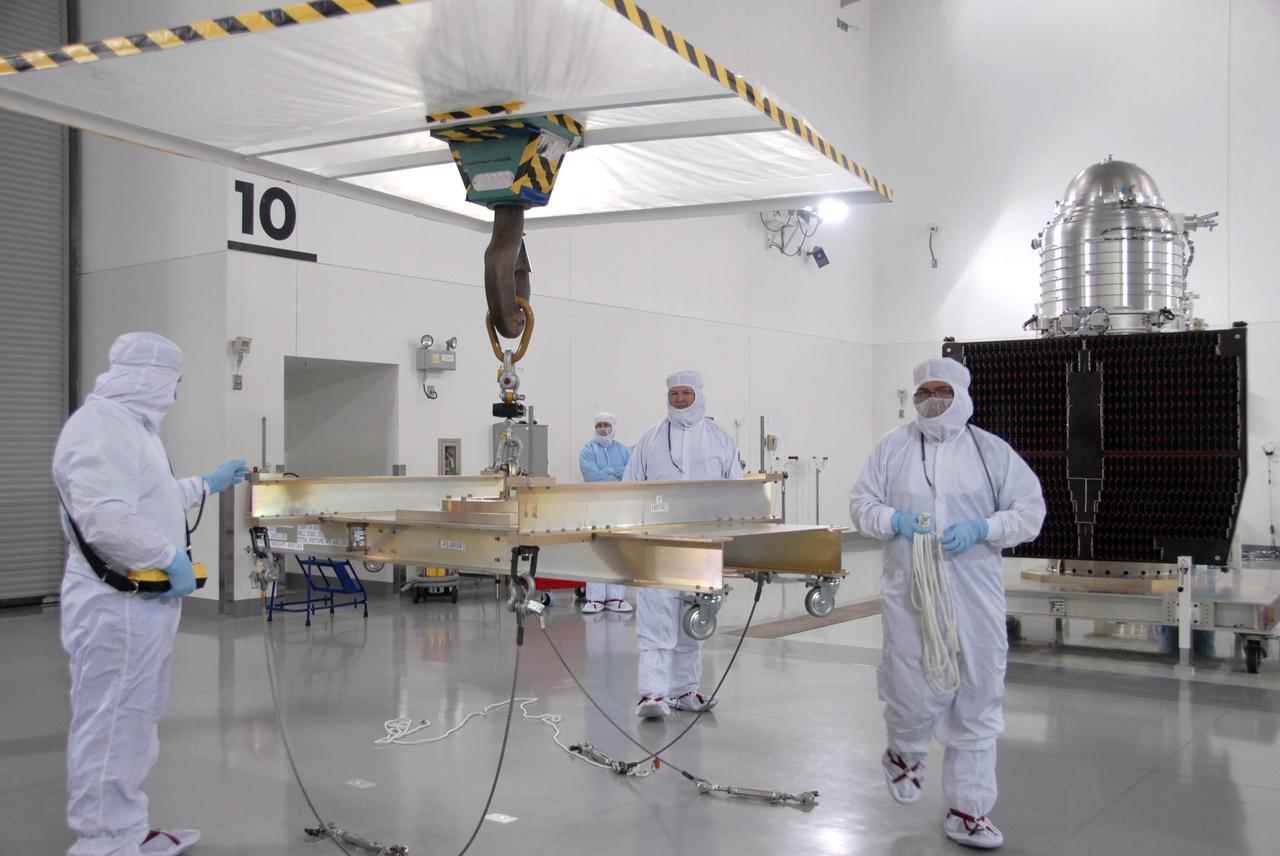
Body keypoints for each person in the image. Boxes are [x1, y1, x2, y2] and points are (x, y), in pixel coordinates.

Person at [53, 332, 249, 856]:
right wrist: (169, 556)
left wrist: (207, 483)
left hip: (141, 604)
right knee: (112, 720)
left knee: (133, 717)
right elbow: (105, 519)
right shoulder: (98, 429)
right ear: (148, 376)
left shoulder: (131, 429)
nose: (174, 394)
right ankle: (102, 843)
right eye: (173, 382)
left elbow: (150, 495)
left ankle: (125, 828)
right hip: (113, 604)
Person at [849, 357, 1045, 850]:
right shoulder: (891, 448)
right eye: (923, 391)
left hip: (973, 589)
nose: (931, 398)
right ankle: (906, 753)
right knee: (910, 679)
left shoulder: (990, 451)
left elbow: (1029, 511)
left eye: (942, 390)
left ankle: (969, 810)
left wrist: (985, 528)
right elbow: (861, 503)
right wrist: (894, 520)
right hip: (910, 588)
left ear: (962, 394)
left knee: (979, 691)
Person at [623, 370, 742, 718]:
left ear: (699, 395)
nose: (678, 400)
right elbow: (631, 486)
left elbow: (736, 490)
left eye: (685, 393)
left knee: (694, 616)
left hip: (705, 543)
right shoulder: (651, 438)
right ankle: (653, 695)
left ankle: (684, 691)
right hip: (658, 542)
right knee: (656, 618)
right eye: (673, 394)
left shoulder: (721, 438)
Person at [578, 411, 633, 614]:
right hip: (596, 505)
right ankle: (594, 598)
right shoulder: (587, 451)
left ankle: (616, 598)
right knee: (597, 548)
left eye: (606, 424)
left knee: (620, 549)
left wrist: (607, 472)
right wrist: (615, 473)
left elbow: (629, 474)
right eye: (599, 424)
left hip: (619, 506)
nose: (603, 428)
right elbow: (591, 476)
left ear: (613, 427)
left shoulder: (624, 451)